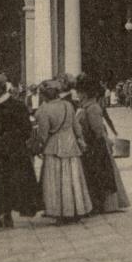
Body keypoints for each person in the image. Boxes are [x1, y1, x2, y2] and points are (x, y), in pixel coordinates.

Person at [0, 74, 43, 232]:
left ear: (1, 89)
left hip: (10, 154)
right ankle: (6, 216)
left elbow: (26, 130)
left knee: (1, 185)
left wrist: (6, 141)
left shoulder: (16, 106)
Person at [35, 79, 93, 225]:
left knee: (56, 181)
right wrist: (80, 140)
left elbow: (43, 135)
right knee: (73, 179)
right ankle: (77, 210)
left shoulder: (44, 110)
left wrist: (39, 147)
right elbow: (76, 127)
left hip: (54, 147)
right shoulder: (68, 105)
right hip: (71, 145)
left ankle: (59, 213)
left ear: (44, 95)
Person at [73, 75, 117, 214]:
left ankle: (98, 205)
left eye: (79, 92)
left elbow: (98, 130)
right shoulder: (87, 106)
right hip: (91, 145)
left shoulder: (92, 108)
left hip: (95, 146)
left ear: (85, 94)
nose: (77, 95)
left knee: (97, 175)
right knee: (93, 175)